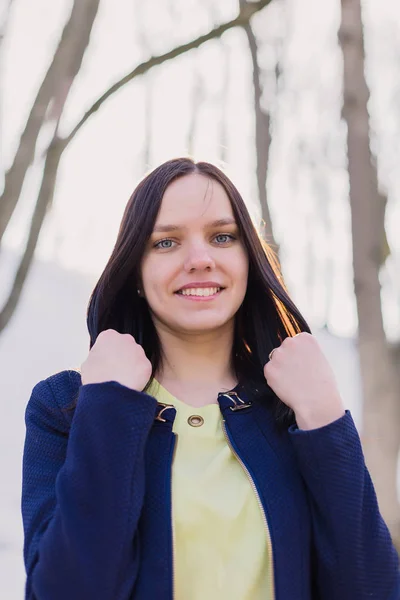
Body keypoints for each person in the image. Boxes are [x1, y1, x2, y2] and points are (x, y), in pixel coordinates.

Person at [21, 157, 399, 600]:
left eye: (222, 237)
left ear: (248, 260)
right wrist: (107, 408)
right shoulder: (65, 407)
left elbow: (372, 590)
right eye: (166, 242)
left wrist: (325, 419)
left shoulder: (294, 409)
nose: (199, 260)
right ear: (136, 273)